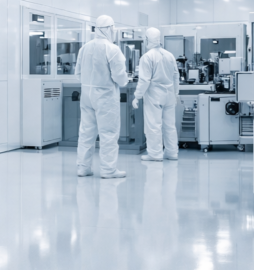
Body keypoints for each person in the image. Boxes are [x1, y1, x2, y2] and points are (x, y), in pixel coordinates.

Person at [76, 15, 129, 179]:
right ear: (110, 29)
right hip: (105, 97)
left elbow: (78, 73)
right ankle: (108, 170)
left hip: (86, 95)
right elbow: (121, 79)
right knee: (108, 133)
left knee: (86, 132)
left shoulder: (85, 48)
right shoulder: (112, 49)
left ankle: (83, 168)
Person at [132, 27, 180, 161]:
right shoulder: (169, 55)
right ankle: (172, 153)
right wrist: (176, 93)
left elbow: (144, 80)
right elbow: (176, 76)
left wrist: (137, 96)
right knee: (170, 126)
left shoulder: (147, 57)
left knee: (153, 125)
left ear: (147, 39)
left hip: (154, 96)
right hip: (169, 95)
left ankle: (155, 154)